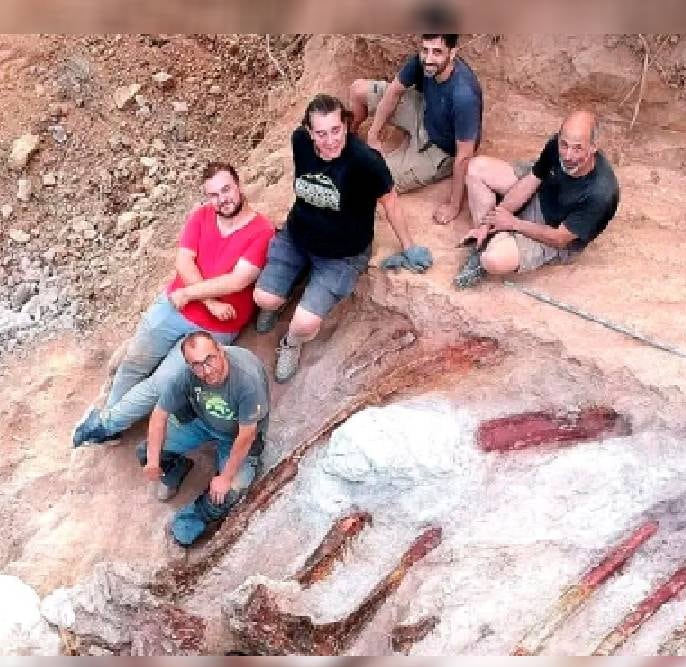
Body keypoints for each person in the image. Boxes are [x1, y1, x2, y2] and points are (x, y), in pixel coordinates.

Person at [73, 162, 275, 446]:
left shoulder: (262, 230)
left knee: (163, 382)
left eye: (226, 190)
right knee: (135, 362)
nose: (222, 199)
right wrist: (208, 301)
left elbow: (238, 280)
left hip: (214, 327)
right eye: (214, 195)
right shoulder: (201, 216)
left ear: (238, 186)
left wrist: (191, 295)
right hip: (177, 305)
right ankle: (113, 424)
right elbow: (183, 261)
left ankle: (105, 425)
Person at [253, 94, 427, 383]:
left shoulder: (365, 161)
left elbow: (391, 202)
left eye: (336, 130)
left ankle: (291, 342)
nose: (330, 140)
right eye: (321, 133)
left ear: (345, 125)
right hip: (298, 236)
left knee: (304, 324)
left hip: (342, 254)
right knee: (264, 299)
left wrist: (409, 246)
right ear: (309, 132)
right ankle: (285, 293)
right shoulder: (300, 142)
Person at [452, 110, 620, 289]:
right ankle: (487, 236)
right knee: (476, 168)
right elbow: (533, 179)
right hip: (542, 195)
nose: (568, 156)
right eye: (564, 145)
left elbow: (559, 238)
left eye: (578, 148)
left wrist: (513, 223)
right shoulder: (557, 145)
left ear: (593, 147)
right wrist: (490, 222)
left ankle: (489, 246)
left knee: (493, 260)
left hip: (555, 232)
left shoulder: (600, 194)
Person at [139, 331, 271, 547]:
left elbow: (246, 436)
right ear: (189, 365)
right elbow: (159, 416)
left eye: (210, 359)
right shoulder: (187, 375)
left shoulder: (246, 379)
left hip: (238, 436)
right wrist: (153, 462)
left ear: (220, 350)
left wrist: (225, 477)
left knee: (226, 494)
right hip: (202, 422)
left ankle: (187, 523)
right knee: (147, 451)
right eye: (197, 365)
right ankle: (175, 470)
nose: (206, 370)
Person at [348, 33, 483, 225]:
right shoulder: (424, 62)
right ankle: (350, 137)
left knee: (366, 177)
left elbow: (464, 156)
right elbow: (394, 91)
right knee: (358, 89)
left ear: (452, 53)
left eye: (437, 52)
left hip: (439, 149)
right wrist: (373, 135)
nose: (429, 59)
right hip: (424, 110)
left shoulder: (464, 96)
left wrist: (454, 206)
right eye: (425, 50)